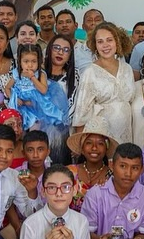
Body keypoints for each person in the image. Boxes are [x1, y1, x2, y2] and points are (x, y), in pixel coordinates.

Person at [71, 22, 135, 144]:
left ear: (117, 41)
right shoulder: (90, 72)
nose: (105, 45)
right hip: (101, 137)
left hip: (127, 134)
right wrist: (81, 143)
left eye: (109, 40)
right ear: (95, 45)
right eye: (100, 41)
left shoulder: (127, 68)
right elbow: (81, 112)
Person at [10, 43, 67, 133]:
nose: (30, 65)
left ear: (39, 61)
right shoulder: (17, 73)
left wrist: (32, 78)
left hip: (37, 108)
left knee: (35, 129)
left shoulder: (40, 74)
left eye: (34, 61)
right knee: (19, 128)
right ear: (20, 62)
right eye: (26, 61)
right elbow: (7, 88)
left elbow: (44, 90)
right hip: (21, 107)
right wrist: (14, 98)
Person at [66, 116, 116, 212]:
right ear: (82, 148)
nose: (94, 148)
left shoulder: (112, 177)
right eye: (89, 143)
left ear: (106, 148)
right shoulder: (69, 172)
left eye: (100, 143)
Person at [44, 34, 78, 164]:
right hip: (38, 131)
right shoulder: (37, 74)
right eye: (56, 47)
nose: (60, 52)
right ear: (49, 50)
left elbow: (75, 105)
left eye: (65, 50)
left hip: (63, 133)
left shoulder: (74, 77)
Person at [54, 10, 94, 74]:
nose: (64, 25)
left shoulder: (87, 51)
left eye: (68, 22)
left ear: (76, 25)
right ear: (56, 27)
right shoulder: (49, 52)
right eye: (60, 23)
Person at [17, 129, 51, 201]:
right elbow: (10, 206)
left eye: (40, 149)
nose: (35, 155)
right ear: (23, 153)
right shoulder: (16, 174)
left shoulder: (53, 175)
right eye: (30, 150)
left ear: (48, 152)